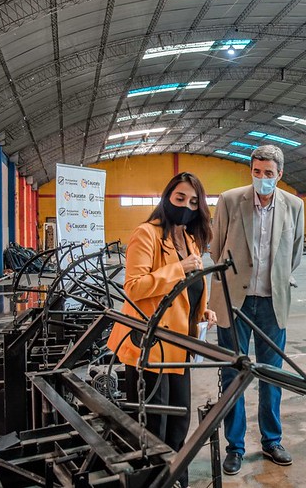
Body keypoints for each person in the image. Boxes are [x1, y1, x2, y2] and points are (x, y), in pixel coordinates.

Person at [107, 172, 217, 488]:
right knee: (153, 425)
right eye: (180, 198)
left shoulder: (192, 238)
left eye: (193, 202)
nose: (186, 206)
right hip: (149, 345)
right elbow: (134, 287)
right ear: (167, 197)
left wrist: (201, 309)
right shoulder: (147, 234)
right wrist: (176, 268)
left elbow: (191, 286)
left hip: (180, 344)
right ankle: (154, 482)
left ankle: (176, 480)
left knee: (178, 422)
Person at [209, 144, 305, 476]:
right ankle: (234, 447)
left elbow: (295, 253)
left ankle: (271, 440)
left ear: (280, 174)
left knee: (271, 375)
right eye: (257, 171)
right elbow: (216, 246)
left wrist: (276, 279)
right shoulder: (230, 200)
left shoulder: (294, 205)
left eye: (269, 173)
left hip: (271, 302)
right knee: (232, 374)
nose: (262, 178)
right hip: (234, 301)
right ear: (251, 170)